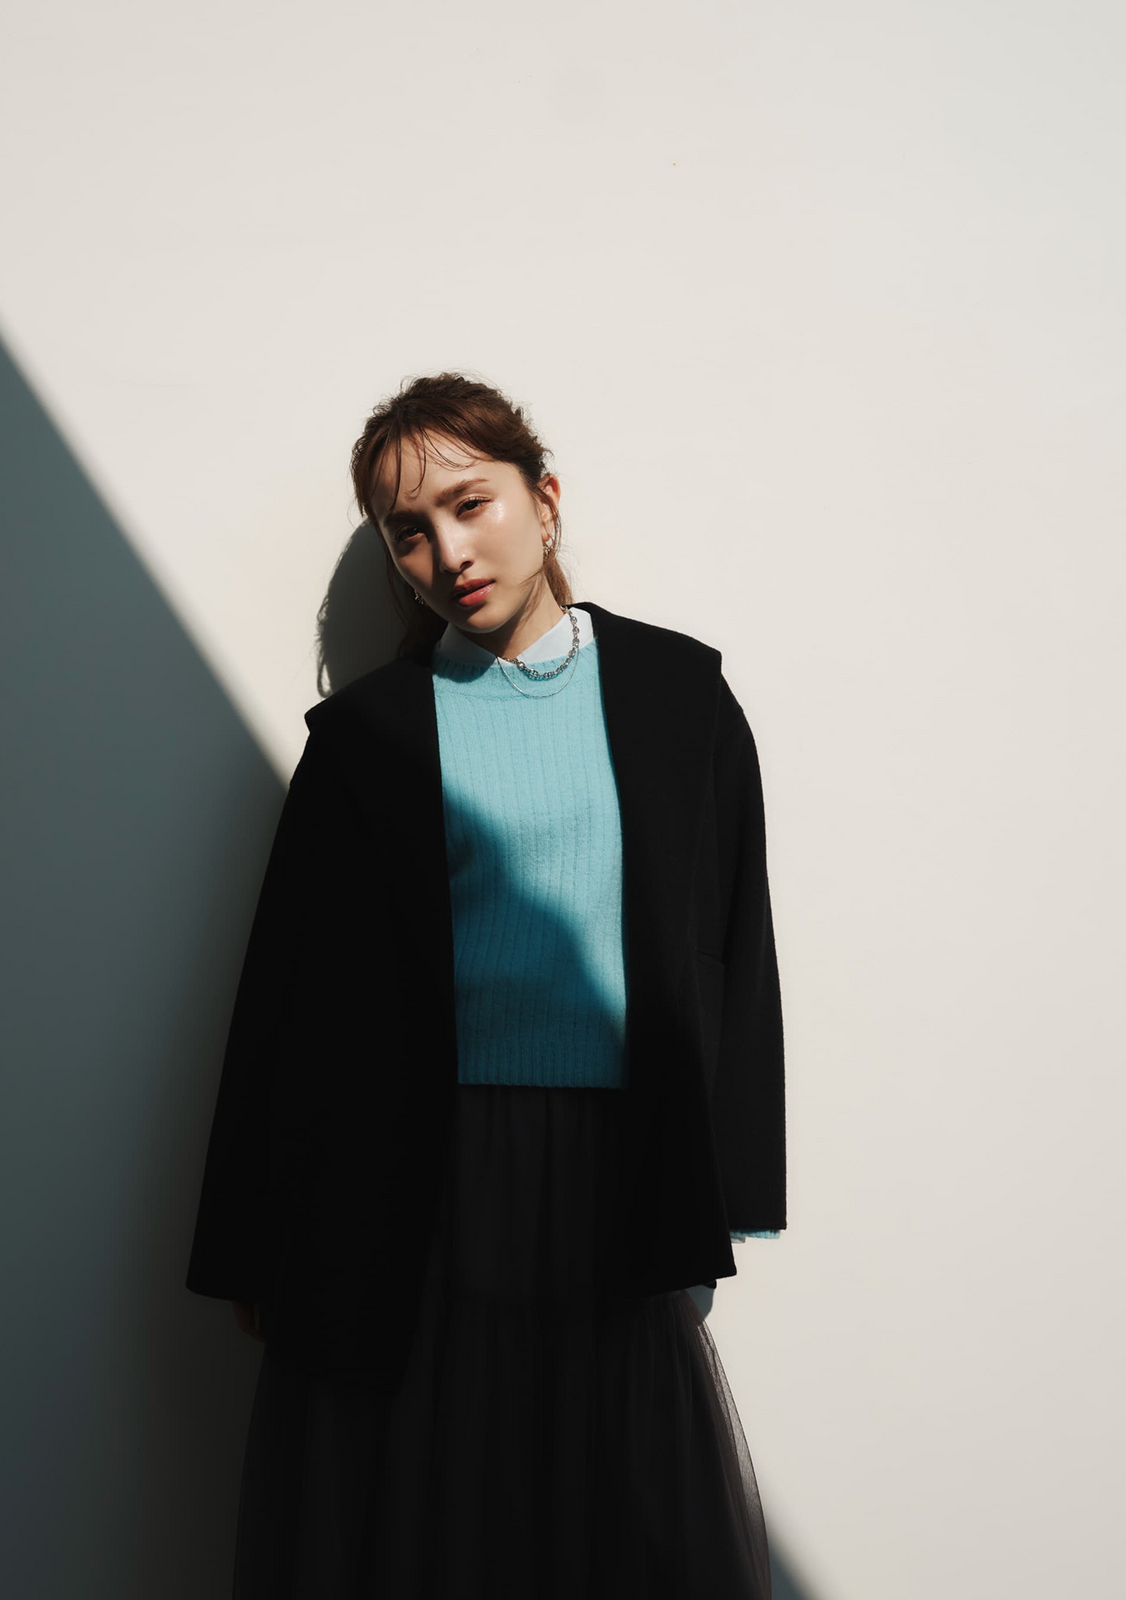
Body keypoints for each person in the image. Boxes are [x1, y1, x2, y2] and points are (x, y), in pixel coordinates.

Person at [186, 372, 786, 1598]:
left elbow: (732, 940)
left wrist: (729, 1181)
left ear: (544, 499)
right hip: (418, 1175)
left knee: (609, 1515)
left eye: (472, 504)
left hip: (617, 1174)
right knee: (429, 1515)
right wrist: (251, 1240)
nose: (447, 552)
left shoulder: (680, 698)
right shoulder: (365, 739)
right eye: (408, 530)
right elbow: (287, 999)